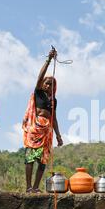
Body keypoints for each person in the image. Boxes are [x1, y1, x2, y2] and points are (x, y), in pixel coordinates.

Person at [22, 49, 63, 194]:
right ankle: (28, 187)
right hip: (35, 128)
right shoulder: (38, 93)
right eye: (46, 83)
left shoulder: (53, 100)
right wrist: (49, 60)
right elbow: (39, 77)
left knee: (42, 160)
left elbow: (54, 118)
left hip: (47, 131)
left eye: (51, 84)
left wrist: (58, 135)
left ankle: (36, 186)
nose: (48, 86)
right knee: (30, 158)